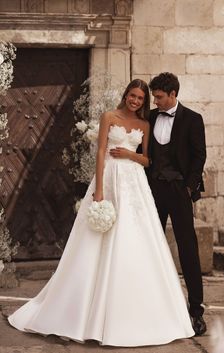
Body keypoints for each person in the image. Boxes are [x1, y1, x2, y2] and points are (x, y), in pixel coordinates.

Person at [8, 79, 195, 347]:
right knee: (95, 239)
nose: (136, 101)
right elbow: (99, 151)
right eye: (133, 96)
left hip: (133, 185)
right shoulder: (109, 116)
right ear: (126, 95)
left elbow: (147, 160)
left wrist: (130, 156)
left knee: (134, 238)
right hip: (107, 178)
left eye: (141, 99)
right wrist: (98, 189)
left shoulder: (144, 125)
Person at [147, 72, 207, 336]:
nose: (155, 101)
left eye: (159, 97)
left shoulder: (193, 119)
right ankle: (155, 307)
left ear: (172, 94)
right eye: (154, 97)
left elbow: (199, 156)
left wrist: (187, 187)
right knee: (150, 246)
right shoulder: (149, 117)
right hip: (152, 191)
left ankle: (196, 311)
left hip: (179, 191)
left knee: (188, 249)